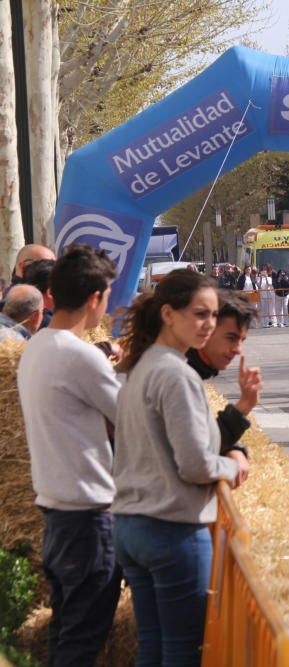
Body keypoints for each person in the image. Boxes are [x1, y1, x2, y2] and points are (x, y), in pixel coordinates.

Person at [112, 270, 248, 667]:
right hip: (171, 530)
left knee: (153, 648)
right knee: (182, 653)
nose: (207, 324)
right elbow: (195, 465)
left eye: (212, 315)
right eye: (199, 314)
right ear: (168, 314)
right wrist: (233, 463)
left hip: (132, 526)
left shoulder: (140, 366)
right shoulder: (175, 374)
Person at [17, 245, 122, 665]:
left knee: (67, 631)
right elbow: (134, 418)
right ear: (96, 297)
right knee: (82, 639)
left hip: (58, 514)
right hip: (88, 516)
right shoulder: (79, 356)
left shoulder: (38, 346)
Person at [185, 291, 262, 459]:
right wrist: (230, 466)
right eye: (231, 338)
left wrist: (234, 449)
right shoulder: (178, 376)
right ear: (207, 328)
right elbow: (195, 458)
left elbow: (203, 440)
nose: (238, 349)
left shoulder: (189, 370)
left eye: (242, 340)